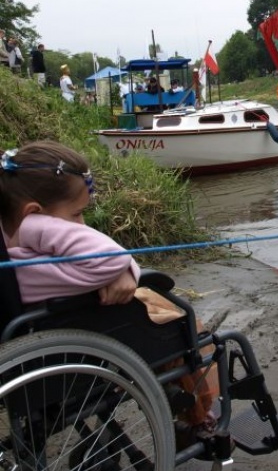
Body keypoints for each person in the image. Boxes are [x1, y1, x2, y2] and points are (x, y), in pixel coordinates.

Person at [0, 140, 217, 433]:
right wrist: (125, 269)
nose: (82, 224)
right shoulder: (27, 246)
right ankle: (200, 418)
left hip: (49, 331)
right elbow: (110, 257)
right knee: (187, 326)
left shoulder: (13, 251)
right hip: (76, 333)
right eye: (76, 215)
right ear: (34, 214)